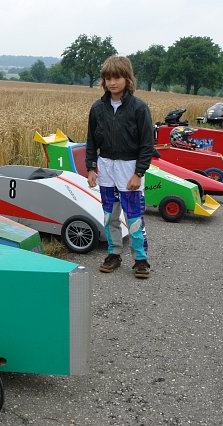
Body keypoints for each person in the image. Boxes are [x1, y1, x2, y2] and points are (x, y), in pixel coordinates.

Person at [85, 55, 154, 279]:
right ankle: (114, 254)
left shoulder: (139, 108)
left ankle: (140, 259)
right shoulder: (97, 108)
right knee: (110, 215)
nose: (112, 83)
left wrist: (139, 173)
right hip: (105, 167)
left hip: (130, 168)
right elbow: (91, 141)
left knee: (133, 217)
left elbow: (147, 145)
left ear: (127, 79)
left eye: (117, 78)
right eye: (108, 78)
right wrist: (91, 168)